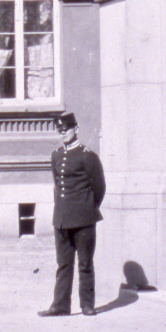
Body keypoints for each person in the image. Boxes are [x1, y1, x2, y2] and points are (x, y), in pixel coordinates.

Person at [39, 112, 107, 317]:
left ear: (76, 129)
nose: (63, 133)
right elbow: (57, 185)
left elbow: (99, 188)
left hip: (84, 219)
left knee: (85, 263)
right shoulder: (56, 155)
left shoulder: (88, 156)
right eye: (59, 130)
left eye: (66, 129)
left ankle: (87, 304)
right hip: (61, 218)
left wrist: (86, 208)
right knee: (63, 264)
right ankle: (60, 305)